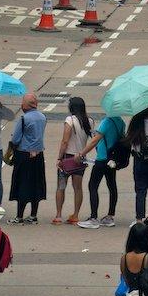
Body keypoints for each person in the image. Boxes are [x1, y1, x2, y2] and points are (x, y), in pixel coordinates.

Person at [76, 111, 126, 228]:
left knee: (92, 186)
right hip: (111, 159)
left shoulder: (106, 122)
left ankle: (93, 218)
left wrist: (82, 153)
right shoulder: (121, 122)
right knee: (112, 186)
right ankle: (110, 216)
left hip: (102, 158)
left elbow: (95, 140)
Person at [8, 93, 47, 224]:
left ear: (26, 105)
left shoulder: (24, 119)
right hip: (39, 155)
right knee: (36, 184)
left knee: (22, 184)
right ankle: (33, 215)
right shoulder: (42, 117)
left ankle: (19, 216)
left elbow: (15, 139)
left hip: (24, 155)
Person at [55, 96, 92, 224]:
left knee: (61, 186)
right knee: (78, 188)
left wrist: (60, 157)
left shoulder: (69, 120)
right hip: (80, 158)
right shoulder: (89, 121)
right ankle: (75, 215)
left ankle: (58, 215)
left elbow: (65, 141)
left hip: (67, 158)